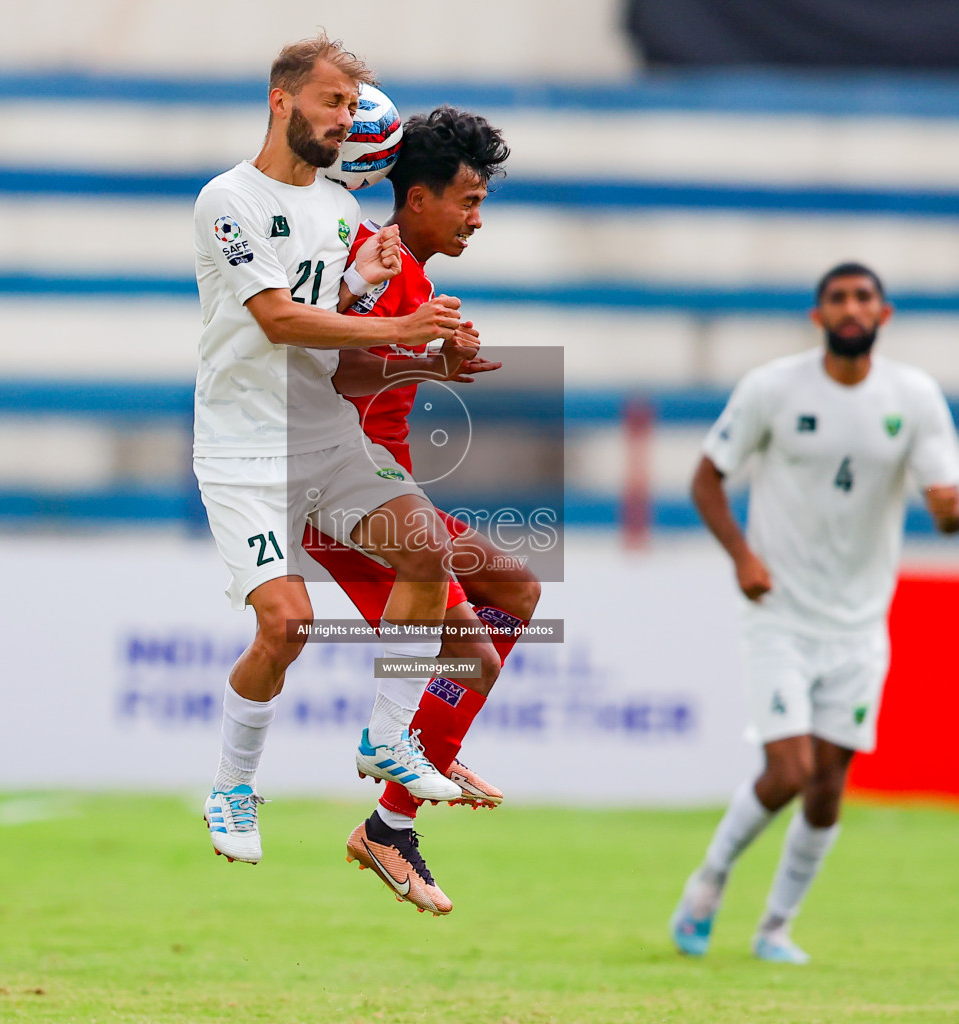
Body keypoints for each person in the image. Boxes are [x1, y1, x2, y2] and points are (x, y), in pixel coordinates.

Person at [192, 33, 484, 866]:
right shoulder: (227, 199)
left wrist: (408, 332)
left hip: (324, 436)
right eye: (331, 103)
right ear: (282, 100)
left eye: (352, 107)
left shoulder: (340, 210)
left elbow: (332, 331)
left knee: (428, 554)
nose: (343, 122)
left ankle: (387, 742)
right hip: (245, 448)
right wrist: (400, 322)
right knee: (287, 626)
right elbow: (279, 320)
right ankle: (232, 788)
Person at [669, 262, 959, 963]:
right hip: (781, 612)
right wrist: (743, 556)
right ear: (818, 316)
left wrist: (951, 513)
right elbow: (707, 477)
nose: (851, 308)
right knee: (790, 771)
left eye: (863, 297)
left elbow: (948, 501)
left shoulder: (915, 397)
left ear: (884, 314)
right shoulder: (774, 388)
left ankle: (776, 925)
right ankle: (708, 882)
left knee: (829, 788)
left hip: (861, 626)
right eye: (838, 298)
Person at [299, 106, 540, 916]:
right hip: (342, 500)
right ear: (416, 198)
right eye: (467, 200)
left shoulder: (416, 279)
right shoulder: (379, 261)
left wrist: (433, 358)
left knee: (516, 592)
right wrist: (419, 352)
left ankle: (423, 762)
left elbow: (378, 368)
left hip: (386, 487)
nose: (477, 218)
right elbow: (338, 381)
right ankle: (391, 823)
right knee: (472, 655)